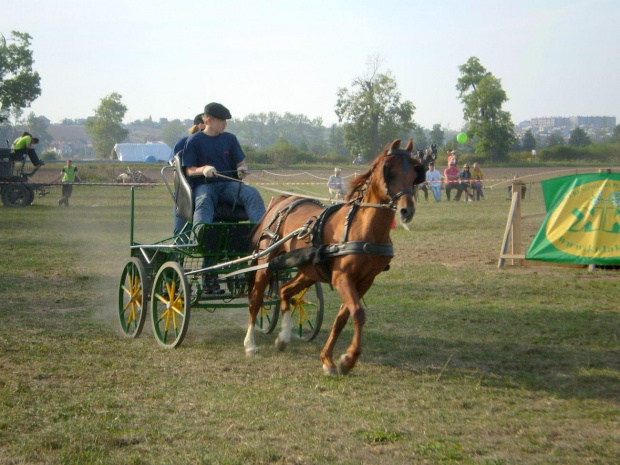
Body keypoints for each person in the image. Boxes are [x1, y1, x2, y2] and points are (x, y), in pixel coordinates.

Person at [182, 102, 266, 229]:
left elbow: (241, 163)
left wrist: (242, 169)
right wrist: (204, 169)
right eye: (222, 120)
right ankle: (200, 237)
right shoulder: (194, 141)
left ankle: (261, 234)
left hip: (228, 185)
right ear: (209, 120)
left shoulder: (230, 139)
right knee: (204, 200)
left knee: (252, 194)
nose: (225, 124)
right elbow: (189, 170)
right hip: (205, 186)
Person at [171, 113, 206, 238]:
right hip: (187, 192)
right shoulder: (184, 142)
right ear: (201, 125)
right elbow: (176, 164)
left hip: (205, 190)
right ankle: (178, 253)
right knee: (181, 233)